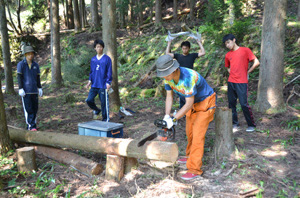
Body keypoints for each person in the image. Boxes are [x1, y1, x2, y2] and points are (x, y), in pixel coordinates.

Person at [156, 55, 216, 180]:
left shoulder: (187, 78)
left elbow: (188, 103)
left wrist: (173, 120)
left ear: (173, 70)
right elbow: (169, 97)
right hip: (192, 104)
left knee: (198, 136)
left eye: (166, 74)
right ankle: (189, 156)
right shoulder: (168, 79)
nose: (164, 77)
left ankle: (194, 169)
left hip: (205, 103)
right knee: (190, 133)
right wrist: (167, 116)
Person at [223, 34, 260, 132]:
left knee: (244, 104)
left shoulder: (245, 50)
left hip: (242, 82)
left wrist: (248, 72)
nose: (227, 45)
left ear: (234, 40)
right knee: (231, 104)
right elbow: (227, 67)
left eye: (228, 42)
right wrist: (231, 73)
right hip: (231, 82)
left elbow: (256, 62)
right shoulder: (228, 55)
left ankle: (251, 125)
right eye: (225, 44)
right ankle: (235, 124)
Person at [166, 39, 205, 108]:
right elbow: (167, 54)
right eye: (183, 48)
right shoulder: (178, 56)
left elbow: (203, 53)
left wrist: (199, 42)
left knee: (191, 94)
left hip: (190, 78)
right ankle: (182, 109)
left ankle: (192, 109)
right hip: (180, 78)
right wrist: (169, 43)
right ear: (181, 48)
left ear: (189, 48)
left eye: (186, 48)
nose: (184, 50)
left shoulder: (192, 55)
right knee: (182, 94)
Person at [17, 45, 43, 131]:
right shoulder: (21, 64)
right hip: (25, 91)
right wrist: (20, 88)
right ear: (25, 54)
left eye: (32, 54)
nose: (30, 55)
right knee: (28, 109)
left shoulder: (36, 65)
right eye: (28, 54)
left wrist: (39, 88)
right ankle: (30, 126)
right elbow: (19, 77)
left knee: (35, 108)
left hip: (34, 91)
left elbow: (38, 77)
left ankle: (33, 124)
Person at [85, 39, 112, 122]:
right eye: (97, 47)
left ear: (103, 48)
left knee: (104, 103)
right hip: (94, 84)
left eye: (100, 47)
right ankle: (96, 110)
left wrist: (108, 82)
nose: (99, 48)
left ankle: (105, 120)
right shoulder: (93, 59)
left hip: (103, 85)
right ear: (95, 48)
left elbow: (109, 71)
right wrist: (89, 81)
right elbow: (92, 72)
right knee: (89, 100)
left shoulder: (107, 59)